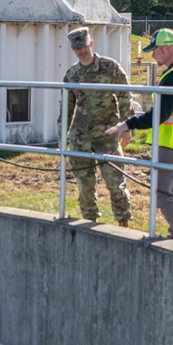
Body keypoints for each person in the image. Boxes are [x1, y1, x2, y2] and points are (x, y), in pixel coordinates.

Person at [108, 28, 173, 242]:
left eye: (155, 50)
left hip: (170, 143)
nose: (152, 55)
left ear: (166, 48)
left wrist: (128, 124)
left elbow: (159, 114)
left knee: (161, 194)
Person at [61, 27, 132, 226]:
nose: (81, 51)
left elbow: (125, 96)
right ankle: (89, 221)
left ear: (90, 44)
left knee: (115, 182)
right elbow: (67, 106)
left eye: (84, 46)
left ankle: (123, 222)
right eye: (77, 49)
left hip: (107, 134)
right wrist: (62, 134)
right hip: (81, 136)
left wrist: (126, 127)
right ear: (73, 49)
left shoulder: (110, 68)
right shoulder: (72, 74)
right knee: (85, 184)